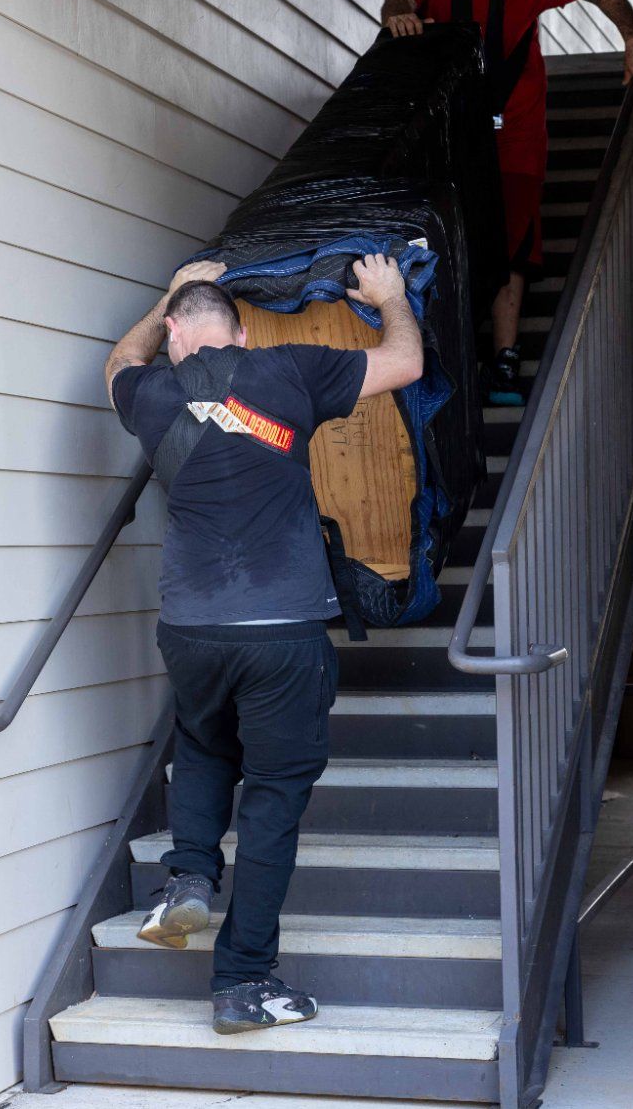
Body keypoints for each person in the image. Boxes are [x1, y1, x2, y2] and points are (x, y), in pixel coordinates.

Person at [105, 254, 423, 1034]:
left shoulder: (150, 394)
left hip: (192, 627)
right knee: (274, 799)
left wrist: (167, 289)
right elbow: (407, 362)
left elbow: (121, 358)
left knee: (205, 745)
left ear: (178, 333)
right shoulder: (290, 370)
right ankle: (242, 979)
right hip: (280, 629)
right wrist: (390, 298)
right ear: (241, 333)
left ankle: (188, 876)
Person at [382, 0, 633, 405]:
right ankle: (444, 359)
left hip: (518, 125)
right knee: (447, 235)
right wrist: (400, 18)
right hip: (451, 128)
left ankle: (504, 362)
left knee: (513, 240)